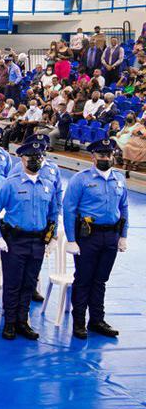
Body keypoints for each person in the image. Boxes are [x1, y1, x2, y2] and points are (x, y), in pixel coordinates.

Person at [0, 141, 60, 341]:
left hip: (37, 241)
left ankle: (22, 321)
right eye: (31, 157)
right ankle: (9, 322)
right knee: (13, 284)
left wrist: (52, 236)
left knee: (29, 284)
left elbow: (54, 211)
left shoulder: (48, 185)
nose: (35, 161)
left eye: (39, 157)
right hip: (14, 241)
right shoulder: (11, 183)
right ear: (22, 159)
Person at [63, 138, 129, 340]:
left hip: (111, 236)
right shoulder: (80, 179)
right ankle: (79, 321)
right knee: (83, 280)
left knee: (100, 280)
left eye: (109, 155)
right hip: (88, 236)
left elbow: (123, 207)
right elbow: (69, 209)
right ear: (93, 157)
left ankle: (97, 320)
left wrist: (123, 236)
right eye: (101, 155)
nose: (106, 158)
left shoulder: (119, 179)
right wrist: (71, 239)